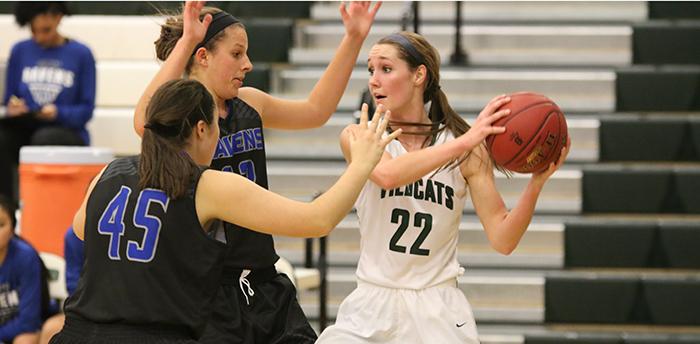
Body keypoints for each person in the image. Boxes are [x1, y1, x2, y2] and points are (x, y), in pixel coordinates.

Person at [50, 79, 398, 344]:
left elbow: (81, 230)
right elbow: (316, 219)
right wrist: (362, 163)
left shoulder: (107, 172)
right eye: (216, 126)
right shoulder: (207, 184)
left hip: (79, 332)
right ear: (202, 129)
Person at [133, 1, 380, 342]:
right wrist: (187, 41)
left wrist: (353, 38)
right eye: (236, 54)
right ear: (202, 56)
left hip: (263, 278)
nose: (247, 64)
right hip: (209, 289)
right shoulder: (181, 120)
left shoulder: (249, 101)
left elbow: (316, 110)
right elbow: (144, 120)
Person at [316, 31, 571, 344]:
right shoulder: (359, 136)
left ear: (418, 75)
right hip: (372, 301)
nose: (373, 80)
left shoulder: (467, 150)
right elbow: (387, 176)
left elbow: (503, 239)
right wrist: (467, 139)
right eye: (370, 70)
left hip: (437, 308)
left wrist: (536, 184)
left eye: (385, 69)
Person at [0, 2, 96, 203]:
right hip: (28, 126)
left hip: (68, 131)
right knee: (3, 136)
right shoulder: (20, 51)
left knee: (43, 138)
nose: (39, 38)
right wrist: (14, 108)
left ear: (58, 18)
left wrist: (58, 113)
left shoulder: (81, 54)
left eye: (45, 30)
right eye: (34, 31)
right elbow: (9, 98)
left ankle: (38, 203)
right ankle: (6, 207)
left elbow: (86, 110)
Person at [0, 195, 44, 344]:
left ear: (12, 229)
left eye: (0, 225)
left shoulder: (26, 256)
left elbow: (29, 321)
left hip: (22, 331)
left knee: (25, 340)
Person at [38, 227, 83, 344]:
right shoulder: (74, 235)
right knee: (51, 329)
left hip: (123, 312)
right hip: (85, 310)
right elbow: (73, 286)